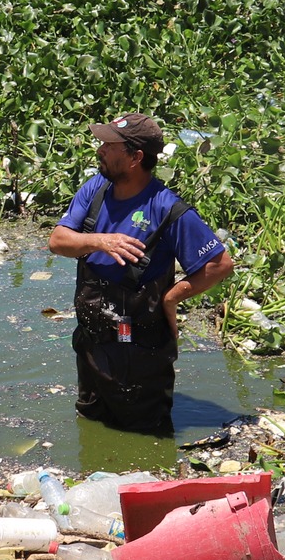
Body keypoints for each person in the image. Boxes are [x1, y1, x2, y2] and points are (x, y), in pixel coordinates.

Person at [48, 113, 235, 435]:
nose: (100, 149)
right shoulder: (96, 188)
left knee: (143, 432)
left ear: (135, 157)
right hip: (92, 339)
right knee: (91, 420)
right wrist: (99, 241)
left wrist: (171, 298)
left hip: (140, 348)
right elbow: (58, 241)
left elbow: (220, 264)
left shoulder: (168, 209)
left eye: (110, 145)